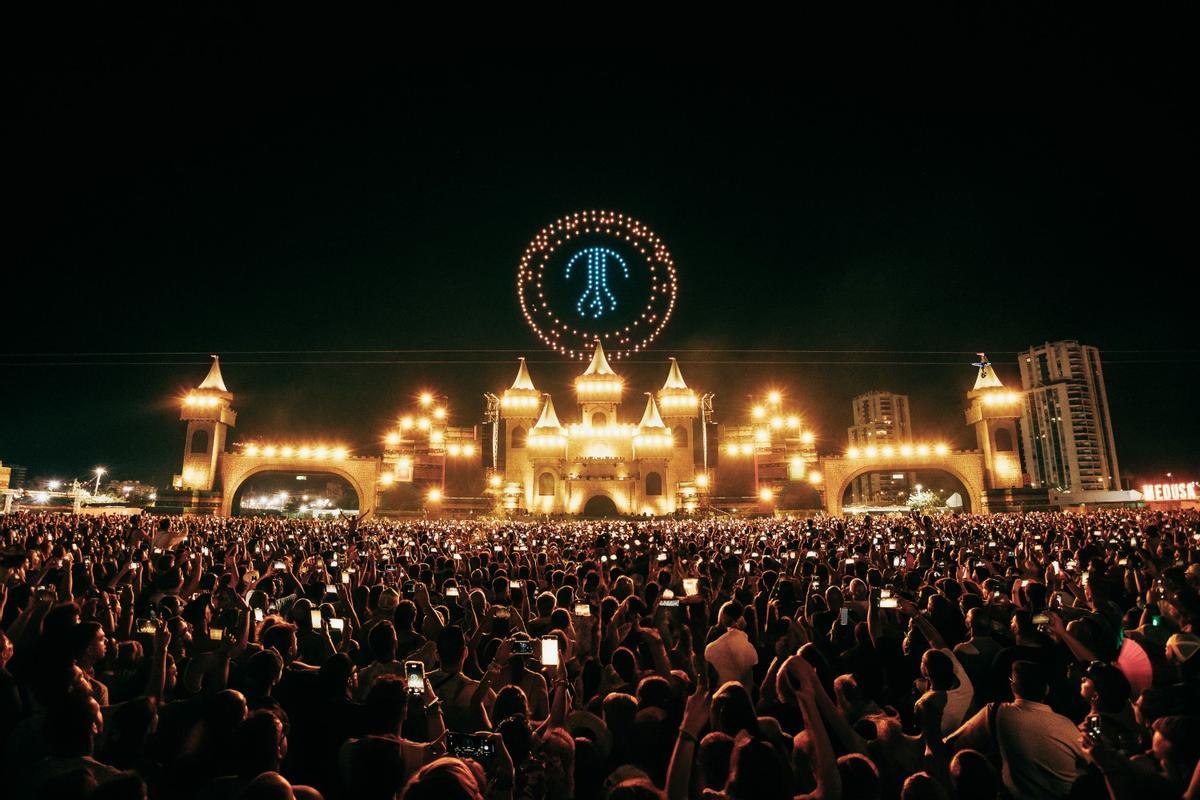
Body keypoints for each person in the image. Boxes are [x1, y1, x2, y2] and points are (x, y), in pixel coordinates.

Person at [946, 660, 1086, 799]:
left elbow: (953, 742)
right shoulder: (1068, 725)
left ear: (1012, 686)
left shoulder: (998, 712)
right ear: (1046, 689)